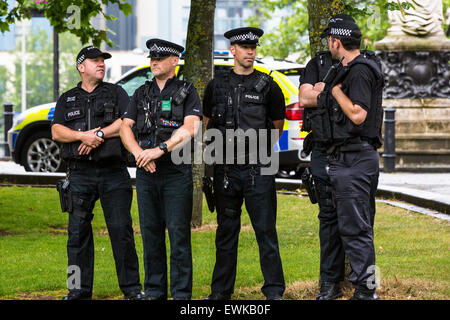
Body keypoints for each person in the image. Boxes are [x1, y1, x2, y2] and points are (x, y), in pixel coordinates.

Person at [51, 46, 144, 300]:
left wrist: (99, 134)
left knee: (121, 231)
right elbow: (57, 131)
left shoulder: (116, 93)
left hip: (114, 173)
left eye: (102, 61)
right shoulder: (67, 98)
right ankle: (77, 290)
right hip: (80, 174)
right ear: (81, 67)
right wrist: (82, 136)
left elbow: (126, 122)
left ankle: (133, 289)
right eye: (95, 61)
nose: (101, 64)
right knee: (77, 234)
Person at [203, 27, 286, 300]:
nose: (251, 51)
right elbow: (206, 126)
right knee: (226, 233)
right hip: (226, 171)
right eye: (245, 47)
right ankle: (220, 293)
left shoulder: (268, 85)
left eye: (254, 47)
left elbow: (276, 126)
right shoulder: (216, 85)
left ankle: (274, 292)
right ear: (233, 51)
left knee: (266, 232)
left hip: (257, 171)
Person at [120, 38, 202, 300]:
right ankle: (154, 292)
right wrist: (140, 154)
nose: (153, 62)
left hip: (176, 173)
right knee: (150, 235)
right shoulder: (141, 93)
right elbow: (125, 127)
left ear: (174, 61)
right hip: (147, 173)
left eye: (159, 58)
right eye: (152, 58)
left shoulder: (188, 91)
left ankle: (181, 296)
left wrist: (160, 149)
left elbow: (190, 128)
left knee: (179, 237)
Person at [310, 14, 384, 300]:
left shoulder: (359, 71)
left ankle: (367, 291)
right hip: (347, 158)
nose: (329, 45)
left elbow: (357, 114)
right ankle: (366, 288)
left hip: (356, 158)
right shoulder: (351, 68)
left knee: (356, 231)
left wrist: (335, 91)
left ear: (336, 41)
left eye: (330, 40)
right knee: (353, 228)